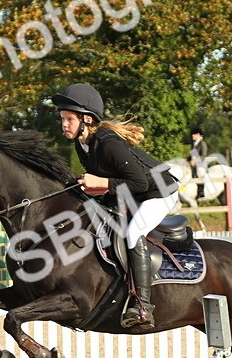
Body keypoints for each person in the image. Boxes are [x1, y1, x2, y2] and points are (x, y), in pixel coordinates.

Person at [53, 83, 180, 327]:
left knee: (133, 233)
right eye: (62, 119)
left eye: (69, 119)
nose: (64, 124)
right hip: (133, 193)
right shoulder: (82, 144)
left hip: (158, 193)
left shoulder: (108, 142)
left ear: (87, 119)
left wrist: (100, 182)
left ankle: (143, 305)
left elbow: (139, 183)